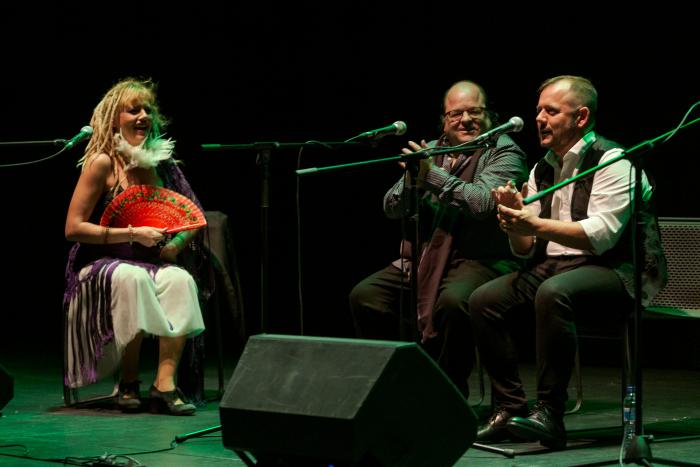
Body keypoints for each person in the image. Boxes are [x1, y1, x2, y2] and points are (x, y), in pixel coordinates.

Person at [469, 75, 666, 449]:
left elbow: (601, 236)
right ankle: (510, 409)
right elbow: (526, 248)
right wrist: (513, 219)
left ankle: (550, 414)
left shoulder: (613, 160)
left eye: (551, 111)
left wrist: (533, 221)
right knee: (484, 300)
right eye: (538, 110)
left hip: (618, 272)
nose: (540, 118)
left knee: (553, 292)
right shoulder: (542, 168)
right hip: (556, 269)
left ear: (581, 117)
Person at [349, 80, 529, 398]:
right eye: (455, 114)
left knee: (453, 302)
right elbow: (391, 208)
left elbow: (484, 203)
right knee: (366, 296)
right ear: (444, 120)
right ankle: (399, 381)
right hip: (426, 256)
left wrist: (430, 175)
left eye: (475, 111)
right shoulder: (433, 150)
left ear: (491, 116)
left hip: (479, 257)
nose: (465, 120)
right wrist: (412, 181)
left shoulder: (505, 151)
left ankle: (446, 392)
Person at [63, 77, 207, 415]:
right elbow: (73, 228)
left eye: (148, 110)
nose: (143, 116)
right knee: (133, 278)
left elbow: (194, 217)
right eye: (133, 110)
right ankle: (128, 380)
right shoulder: (102, 163)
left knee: (180, 280)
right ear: (115, 118)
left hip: (154, 260)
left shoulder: (163, 165)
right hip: (100, 261)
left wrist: (175, 246)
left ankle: (164, 383)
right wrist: (131, 233)